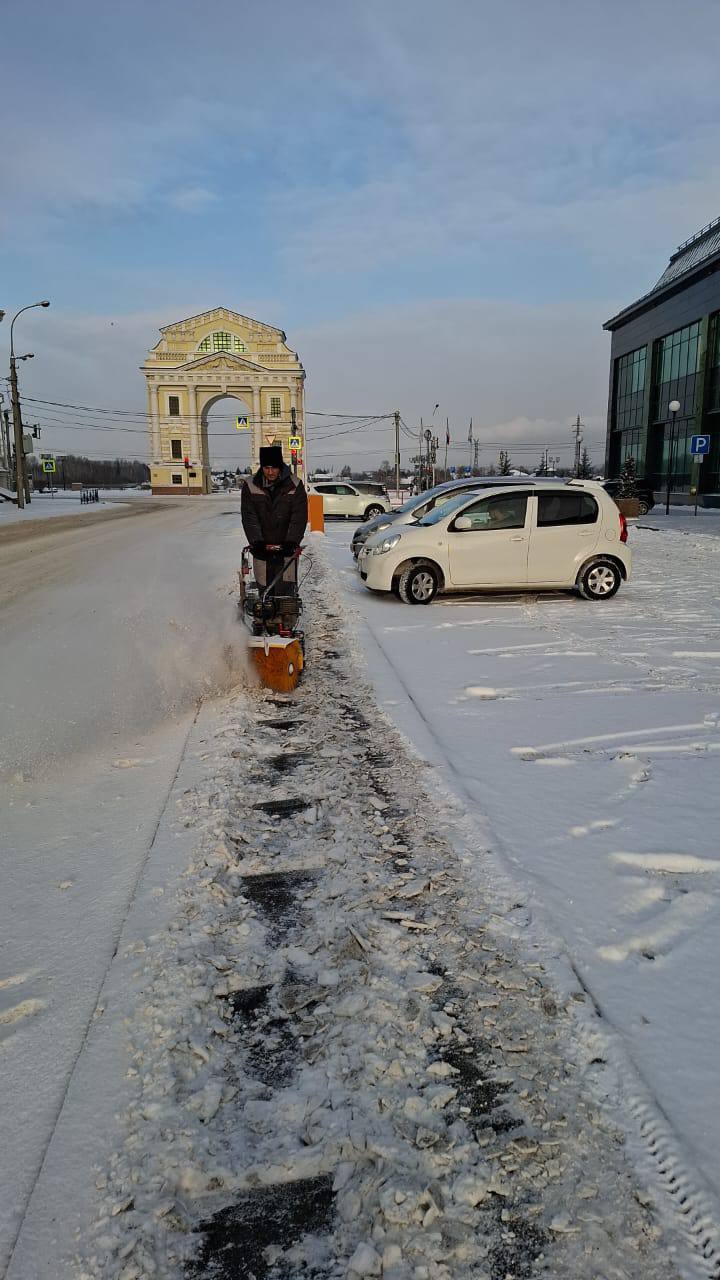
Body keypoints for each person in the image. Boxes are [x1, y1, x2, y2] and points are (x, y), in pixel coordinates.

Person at [241, 445, 308, 591]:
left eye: (274, 468)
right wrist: (256, 542)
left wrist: (292, 542)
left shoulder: (295, 485)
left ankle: (287, 611)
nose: (270, 472)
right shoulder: (250, 485)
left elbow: (299, 516)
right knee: (264, 588)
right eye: (266, 468)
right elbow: (249, 516)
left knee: (286, 588)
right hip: (262, 547)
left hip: (286, 548)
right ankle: (265, 610)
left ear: (280, 466)